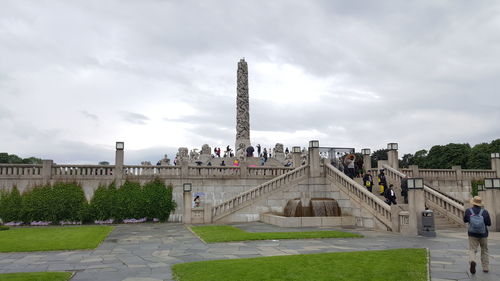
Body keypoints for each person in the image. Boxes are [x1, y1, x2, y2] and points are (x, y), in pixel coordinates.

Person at [464, 196, 491, 274]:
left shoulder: (468, 211)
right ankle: (485, 267)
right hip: (483, 234)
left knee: (472, 249)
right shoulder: (485, 212)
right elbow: (489, 224)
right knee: (484, 250)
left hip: (472, 233)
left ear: (473, 203)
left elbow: (465, 220)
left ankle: (472, 261)